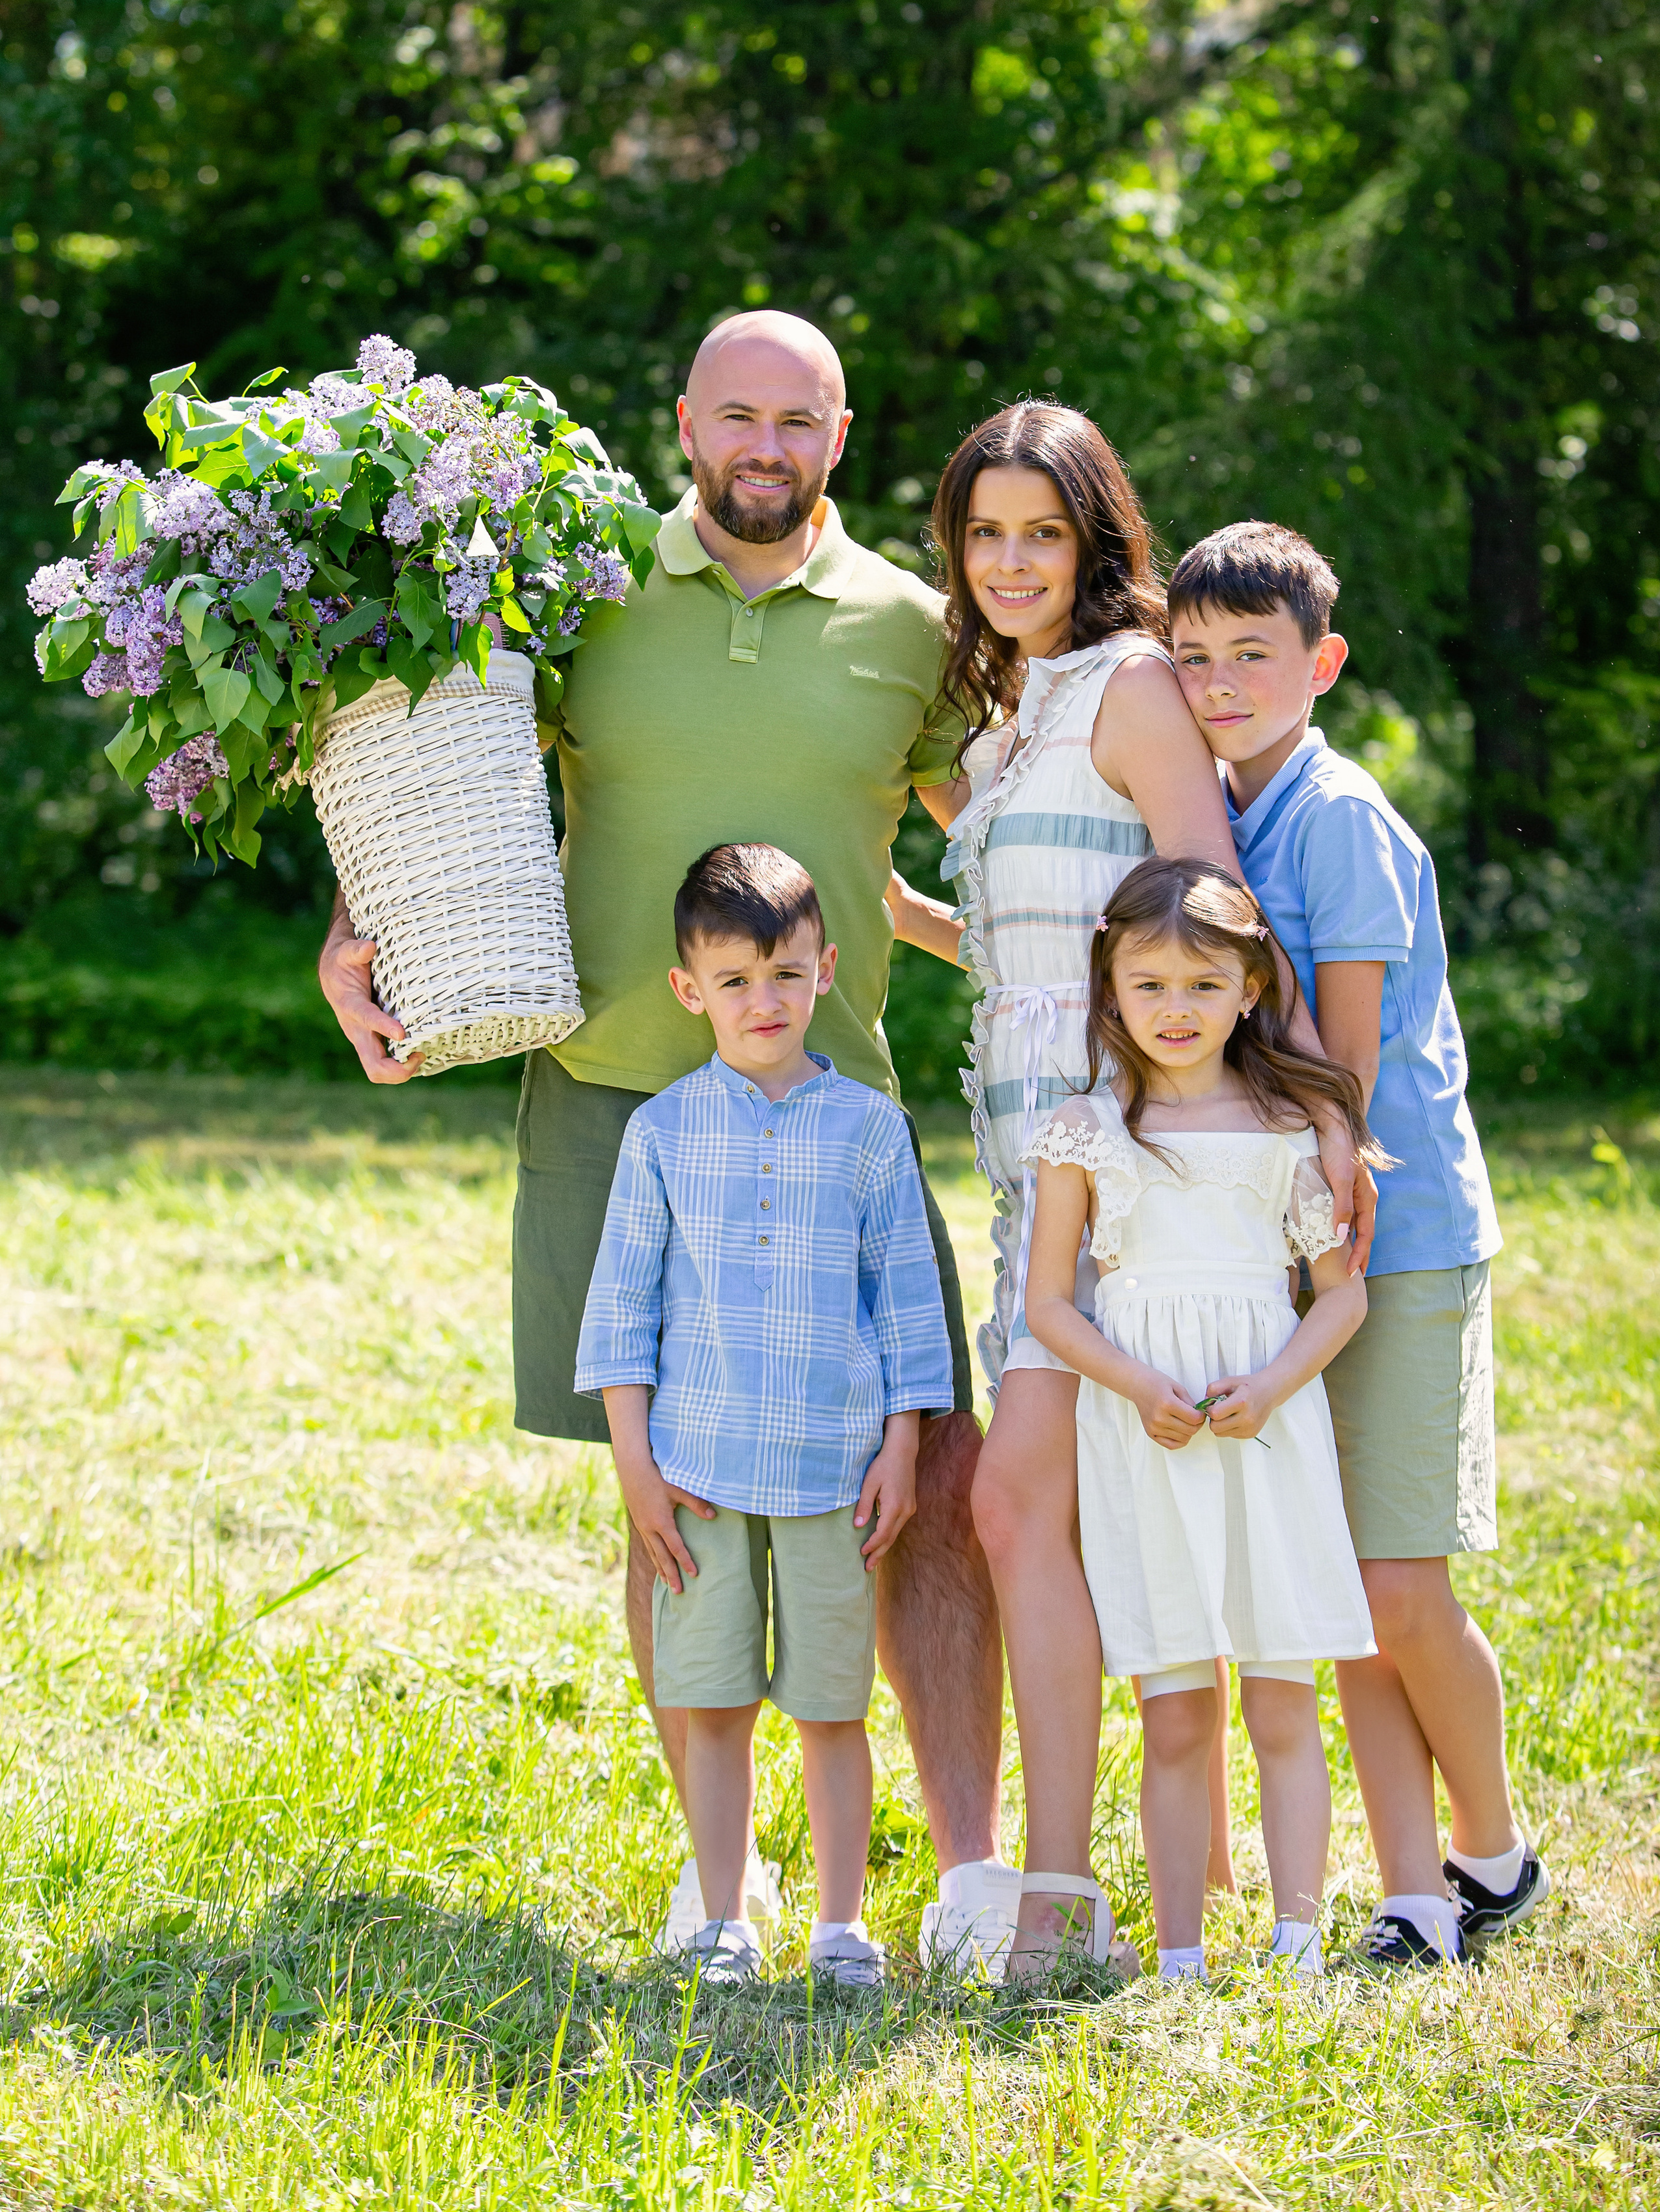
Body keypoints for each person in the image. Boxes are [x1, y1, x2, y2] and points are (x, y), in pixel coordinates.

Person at [318, 311, 1011, 1971]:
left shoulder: (914, 628)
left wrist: (1066, 950)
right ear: (684, 419)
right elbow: (442, 774)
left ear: (840, 436)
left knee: (929, 1487)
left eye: (798, 422)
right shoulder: (576, 593)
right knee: (672, 1498)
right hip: (612, 1092)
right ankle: (731, 1878)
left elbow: (954, 849)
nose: (762, 448)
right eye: (735, 417)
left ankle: (974, 1869)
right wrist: (361, 925)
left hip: (835, 1107)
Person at [899, 401, 1376, 1975]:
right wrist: (885, 905)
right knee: (1053, 1500)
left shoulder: (1131, 689)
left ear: (1095, 542)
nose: (1012, 559)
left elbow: (1211, 908)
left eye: (1043, 531)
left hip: (1136, 1165)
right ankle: (1156, 1865)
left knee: (1018, 1500)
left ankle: (1055, 1890)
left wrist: (1313, 1105)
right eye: (985, 534)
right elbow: (1036, 948)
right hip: (1027, 1162)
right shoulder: (1007, 720)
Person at [1167, 520, 1546, 1968]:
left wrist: (1310, 1203)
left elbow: (1349, 1050)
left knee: (1398, 1582)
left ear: (1318, 663)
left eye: (1249, 655)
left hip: (1394, 1231)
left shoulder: (1335, 814)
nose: (1217, 682)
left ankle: (1492, 1850)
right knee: (1343, 1585)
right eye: (1192, 658)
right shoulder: (1222, 809)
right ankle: (1410, 1886)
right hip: (1298, 1240)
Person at [575, 846, 951, 1984]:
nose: (764, 1002)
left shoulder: (870, 1130)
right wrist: (635, 1468)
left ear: (826, 970)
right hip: (697, 1473)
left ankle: (842, 1928)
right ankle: (724, 1919)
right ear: (691, 990)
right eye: (734, 981)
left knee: (834, 1705)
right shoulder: (665, 1134)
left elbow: (906, 1303)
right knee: (715, 1702)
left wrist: (903, 1444)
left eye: (786, 975)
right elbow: (621, 1311)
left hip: (838, 1471)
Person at [1025, 857, 1386, 1978]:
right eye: (1149, 987)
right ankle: (1179, 1953)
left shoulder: (1290, 1125)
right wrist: (1137, 1387)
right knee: (1177, 1707)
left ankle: (1297, 1941)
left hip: (1266, 1430)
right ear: (1110, 991)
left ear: (1247, 989)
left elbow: (1342, 1294)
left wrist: (1273, 1385)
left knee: (1282, 1698)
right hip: (1146, 1434)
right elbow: (1048, 1304)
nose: (1174, 1011)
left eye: (1201, 985)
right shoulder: (1085, 1130)